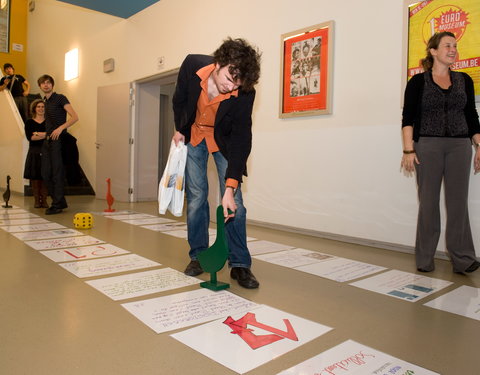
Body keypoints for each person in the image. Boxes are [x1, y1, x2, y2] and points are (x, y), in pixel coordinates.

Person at [172, 38, 261, 288]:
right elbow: (179, 100)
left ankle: (240, 264)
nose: (231, 86)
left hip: (224, 141)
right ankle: (198, 256)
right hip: (195, 137)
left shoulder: (245, 92)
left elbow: (242, 135)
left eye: (238, 83)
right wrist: (179, 128)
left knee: (236, 205)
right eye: (230, 78)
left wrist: (230, 187)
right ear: (220, 62)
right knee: (197, 196)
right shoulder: (192, 65)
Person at [401, 31, 480, 274]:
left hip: (459, 147)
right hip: (428, 146)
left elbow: (471, 117)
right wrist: (408, 150)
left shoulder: (464, 80)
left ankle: (463, 259)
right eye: (447, 45)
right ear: (433, 51)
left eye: (455, 46)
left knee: (458, 204)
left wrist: (478, 145)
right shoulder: (417, 82)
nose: (453, 49)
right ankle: (425, 258)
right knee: (429, 203)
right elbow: (408, 118)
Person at [37, 74, 79, 215]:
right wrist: (43, 134)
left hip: (58, 140)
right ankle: (59, 201)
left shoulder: (60, 98)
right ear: (40, 86)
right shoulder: (45, 101)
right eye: (43, 83)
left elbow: (75, 117)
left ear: (52, 85)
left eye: (48, 82)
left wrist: (61, 128)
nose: (46, 85)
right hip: (47, 140)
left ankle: (57, 204)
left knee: (56, 173)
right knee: (45, 173)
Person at [24, 99, 49, 208]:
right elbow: (31, 138)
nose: (41, 109)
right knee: (35, 177)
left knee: (45, 176)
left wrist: (39, 134)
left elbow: (51, 136)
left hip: (47, 151)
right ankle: (36, 201)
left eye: (42, 107)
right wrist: (45, 135)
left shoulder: (49, 121)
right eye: (38, 107)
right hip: (34, 152)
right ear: (34, 108)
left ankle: (44, 200)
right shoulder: (29, 122)